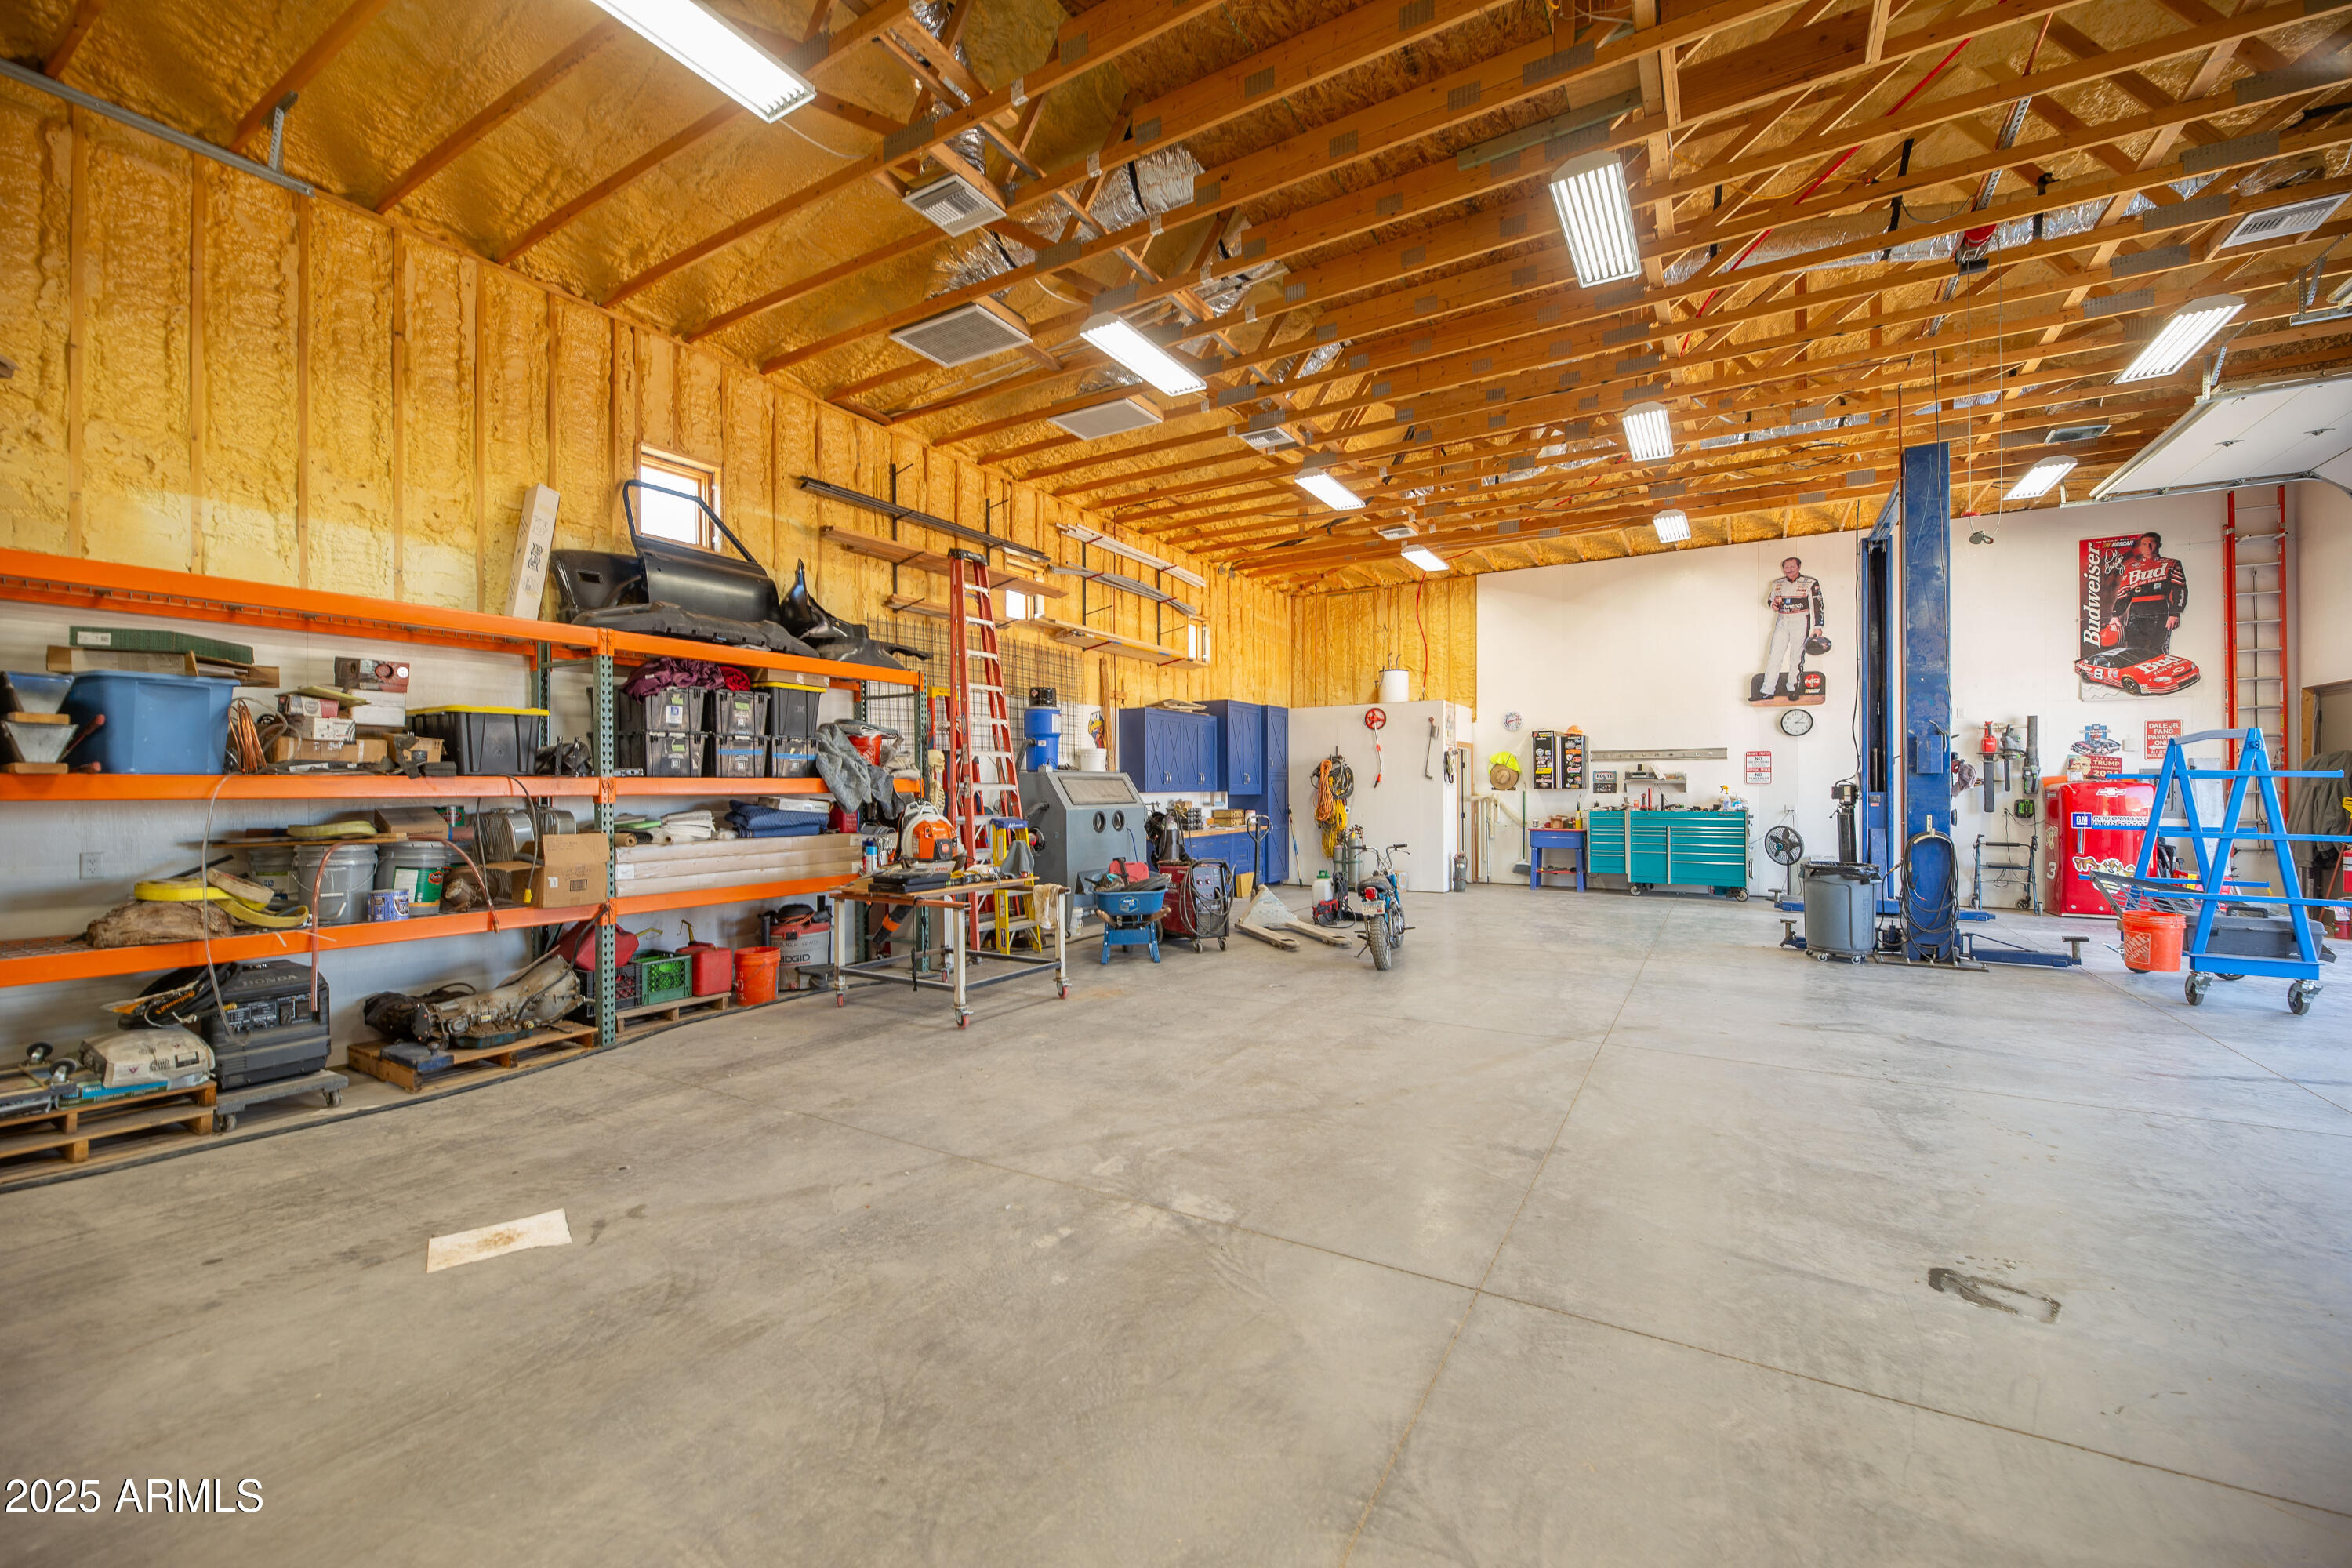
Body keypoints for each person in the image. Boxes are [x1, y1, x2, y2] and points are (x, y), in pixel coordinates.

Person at [2102, 532, 2187, 657]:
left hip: (2160, 612)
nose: (2148, 547)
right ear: (2140, 547)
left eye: (2152, 543)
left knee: (2158, 650)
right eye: (2144, 544)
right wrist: (2116, 615)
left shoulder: (2171, 564)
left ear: (2159, 545)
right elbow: (2124, 594)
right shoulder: (2131, 568)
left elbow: (2180, 589)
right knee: (2133, 650)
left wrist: (2175, 613)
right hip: (2136, 614)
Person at [1763, 556, 1824, 698]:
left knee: (1796, 657)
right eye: (1786, 567)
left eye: (1792, 567)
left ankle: (1792, 689)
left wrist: (1817, 626)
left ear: (1799, 567)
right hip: (1782, 621)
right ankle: (1767, 690)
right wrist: (1772, 604)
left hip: (1801, 621)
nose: (1789, 570)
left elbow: (1817, 605)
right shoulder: (1777, 583)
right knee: (1774, 656)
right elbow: (1771, 600)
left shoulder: (1810, 582)